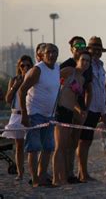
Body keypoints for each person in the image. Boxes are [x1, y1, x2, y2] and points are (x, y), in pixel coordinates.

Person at [18, 43, 60, 187]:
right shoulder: (37, 70)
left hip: (50, 115)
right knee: (34, 148)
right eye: (49, 52)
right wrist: (24, 114)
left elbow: (56, 90)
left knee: (48, 147)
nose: (52, 54)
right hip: (34, 113)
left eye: (55, 51)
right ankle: (35, 179)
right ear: (41, 55)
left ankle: (43, 177)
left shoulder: (57, 69)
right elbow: (22, 91)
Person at [52, 51, 90, 186]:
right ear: (78, 60)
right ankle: (56, 178)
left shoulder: (82, 79)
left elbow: (73, 99)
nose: (85, 63)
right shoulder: (69, 71)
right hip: (60, 110)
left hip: (69, 112)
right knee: (60, 146)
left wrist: (80, 110)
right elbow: (53, 82)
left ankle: (63, 177)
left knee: (66, 146)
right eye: (83, 60)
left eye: (88, 61)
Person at [59, 36, 93, 183]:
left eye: (83, 44)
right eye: (77, 45)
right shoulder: (66, 67)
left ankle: (71, 173)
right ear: (71, 48)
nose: (80, 47)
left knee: (74, 143)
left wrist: (86, 107)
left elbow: (88, 90)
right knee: (62, 144)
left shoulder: (86, 68)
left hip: (80, 109)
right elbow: (60, 88)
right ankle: (61, 174)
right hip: (66, 108)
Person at [77, 36, 106, 182]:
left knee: (87, 141)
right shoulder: (86, 65)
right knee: (83, 141)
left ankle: (82, 172)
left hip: (97, 108)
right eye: (93, 49)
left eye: (98, 50)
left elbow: (101, 89)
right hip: (87, 108)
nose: (96, 52)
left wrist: (103, 110)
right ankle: (82, 173)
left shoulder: (101, 66)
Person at [2, 55, 34, 180]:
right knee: (19, 145)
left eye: (28, 65)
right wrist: (15, 86)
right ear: (19, 67)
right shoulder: (15, 79)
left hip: (30, 113)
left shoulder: (34, 79)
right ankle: (20, 172)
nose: (25, 68)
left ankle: (35, 172)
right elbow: (8, 99)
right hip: (16, 115)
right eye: (22, 65)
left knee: (32, 145)